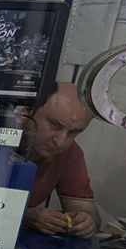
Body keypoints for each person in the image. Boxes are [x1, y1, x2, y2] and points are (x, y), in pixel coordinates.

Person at [18, 82, 101, 237]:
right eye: (55, 125)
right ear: (28, 111)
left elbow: (87, 211)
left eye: (73, 132)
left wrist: (86, 222)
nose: (61, 141)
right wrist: (24, 215)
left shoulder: (69, 153)